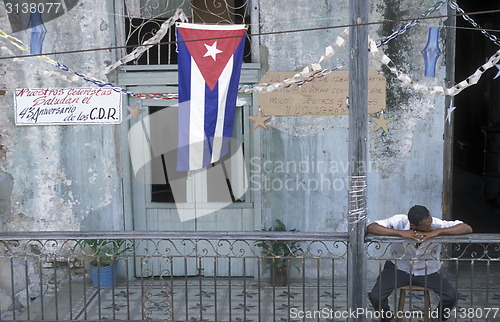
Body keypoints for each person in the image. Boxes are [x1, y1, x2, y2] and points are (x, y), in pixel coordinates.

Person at [366, 205, 472, 322]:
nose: (430, 227)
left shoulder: (436, 224)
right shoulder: (399, 222)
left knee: (451, 296)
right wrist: (400, 233)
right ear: (412, 226)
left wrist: (438, 232)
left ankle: (439, 317)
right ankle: (386, 317)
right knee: (376, 296)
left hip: (427, 270)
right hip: (398, 268)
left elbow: (467, 228)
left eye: (430, 223)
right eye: (427, 226)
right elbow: (371, 227)